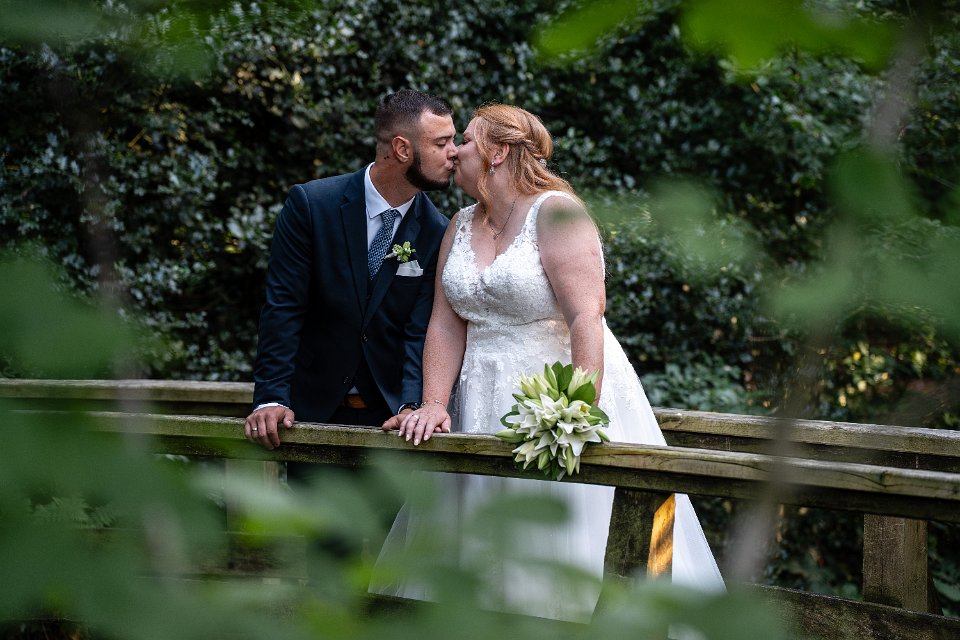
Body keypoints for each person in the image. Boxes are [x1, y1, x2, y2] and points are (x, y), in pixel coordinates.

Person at [371, 104, 724, 622]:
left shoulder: (557, 213)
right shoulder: (460, 225)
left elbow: (586, 316)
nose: (456, 152)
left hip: (551, 399)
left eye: (465, 140)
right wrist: (433, 403)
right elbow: (446, 323)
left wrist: (574, 409)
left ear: (497, 151)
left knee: (555, 543)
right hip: (477, 405)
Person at [245, 88, 456, 446]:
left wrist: (409, 405)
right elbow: (284, 307)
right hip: (307, 416)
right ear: (402, 149)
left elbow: (418, 330)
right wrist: (271, 398)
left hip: (392, 425)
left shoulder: (438, 231)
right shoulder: (312, 205)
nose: (454, 152)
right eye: (441, 143)